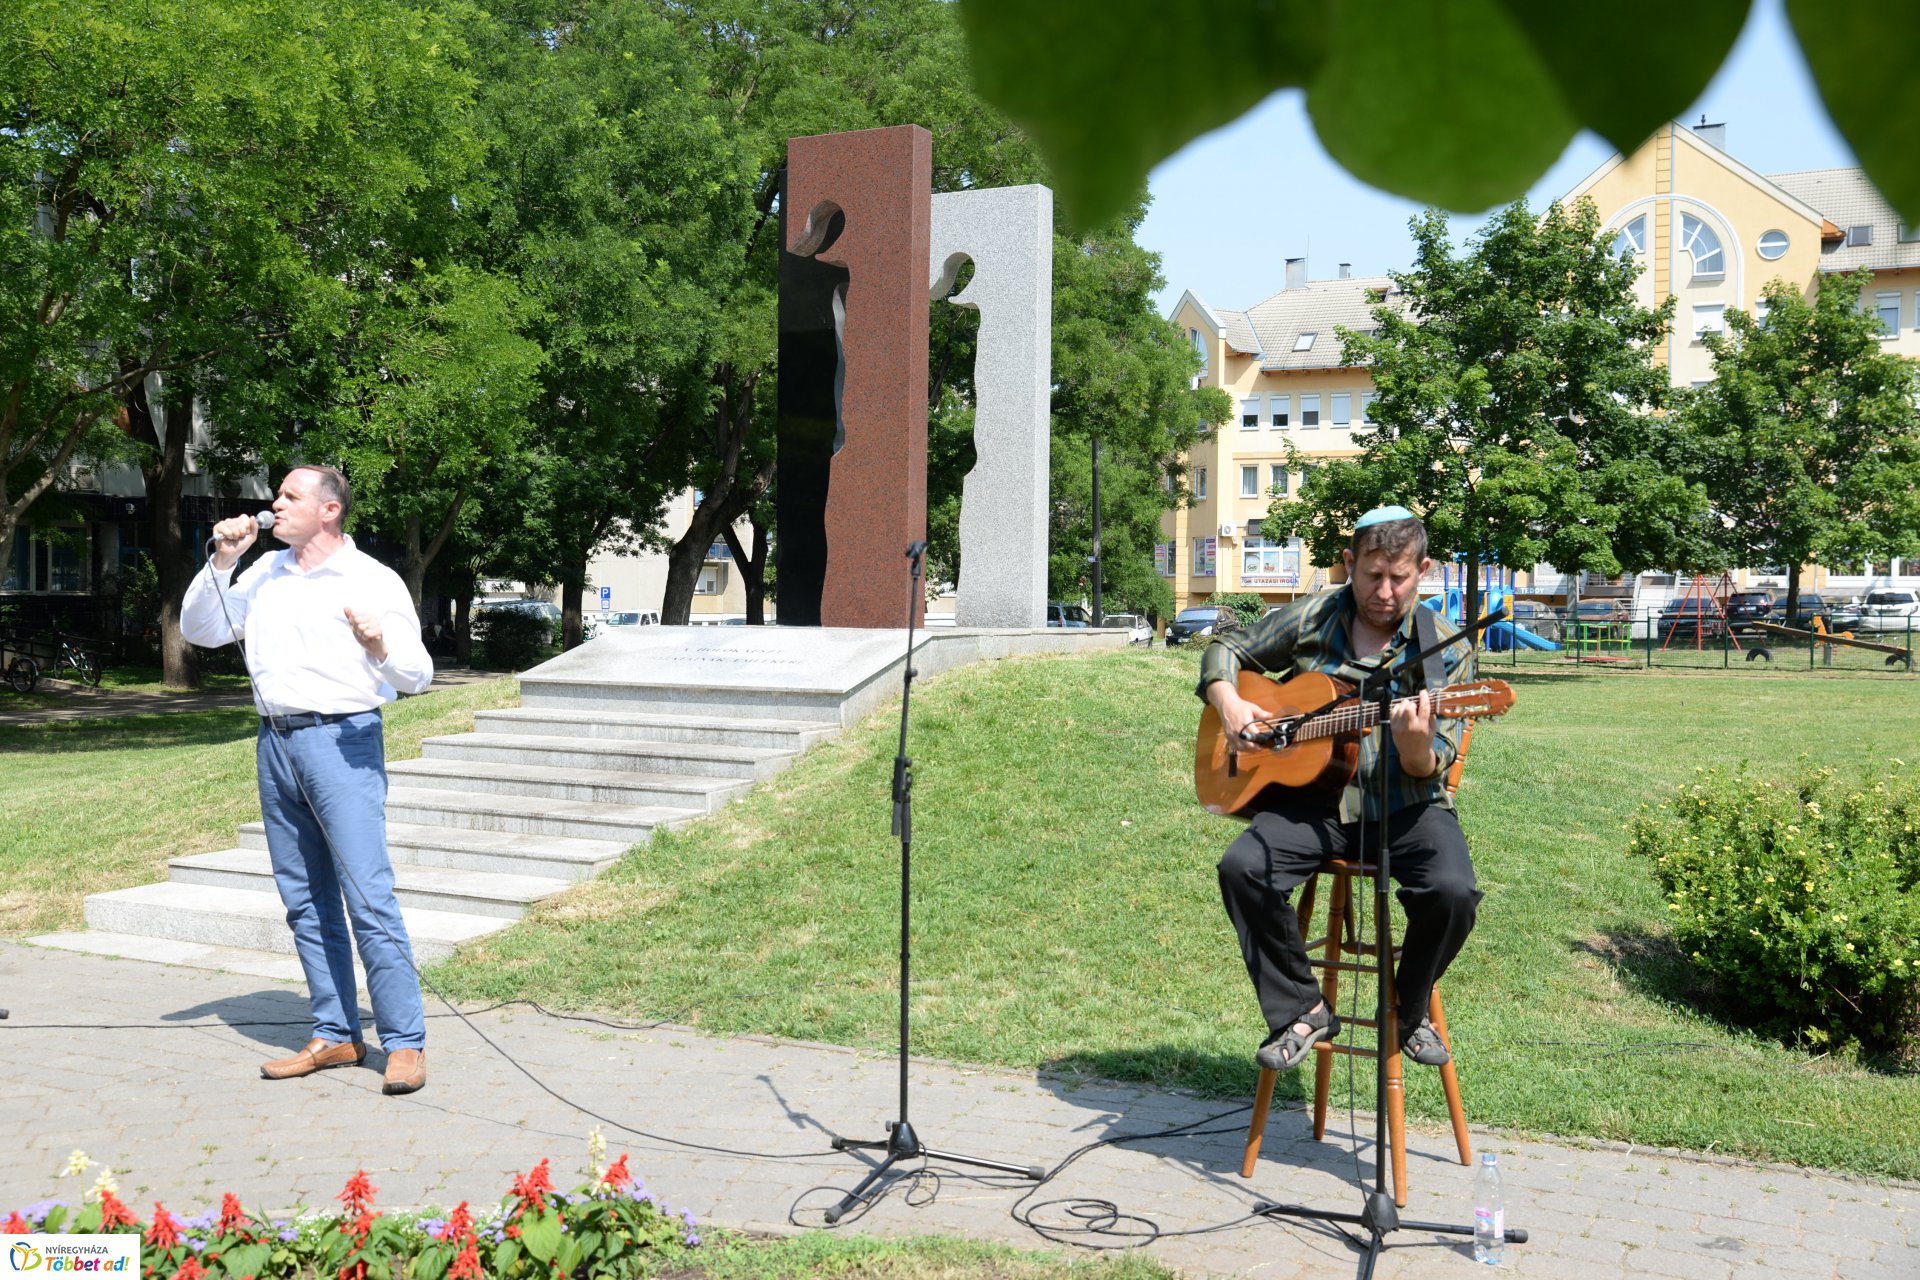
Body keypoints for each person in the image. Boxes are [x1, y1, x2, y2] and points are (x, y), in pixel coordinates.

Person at [181, 464, 436, 1094]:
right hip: (276, 743)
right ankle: (336, 1033)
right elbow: (201, 630)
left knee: (367, 897)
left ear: (329, 510)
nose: (275, 505)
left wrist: (378, 646)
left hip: (343, 742)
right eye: (277, 496)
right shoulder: (264, 572)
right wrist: (221, 561)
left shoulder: (371, 579)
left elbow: (418, 674)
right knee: (303, 900)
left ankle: (404, 1042)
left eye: (290, 497)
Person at [1200, 505, 1480, 1074]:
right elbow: (1226, 650)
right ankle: (1303, 1009)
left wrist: (1416, 747)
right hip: (1313, 804)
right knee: (1242, 868)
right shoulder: (1313, 617)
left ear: (1422, 570)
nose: (1383, 590)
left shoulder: (1447, 650)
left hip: (1407, 806)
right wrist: (1228, 702)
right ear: (1349, 563)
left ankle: (1405, 1007)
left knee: (1453, 893)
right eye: (1371, 574)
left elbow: (1434, 763)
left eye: (1399, 577)